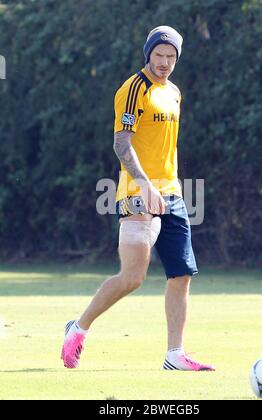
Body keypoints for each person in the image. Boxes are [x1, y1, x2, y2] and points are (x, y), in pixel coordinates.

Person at [61, 26, 215, 372]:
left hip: (172, 193)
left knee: (181, 274)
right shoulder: (133, 89)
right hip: (136, 193)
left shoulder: (174, 92)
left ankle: (174, 355)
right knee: (132, 277)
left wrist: (165, 185)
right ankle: (79, 326)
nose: (164, 62)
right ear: (148, 54)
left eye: (171, 56)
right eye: (159, 55)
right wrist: (145, 184)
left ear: (178, 57)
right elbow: (121, 143)